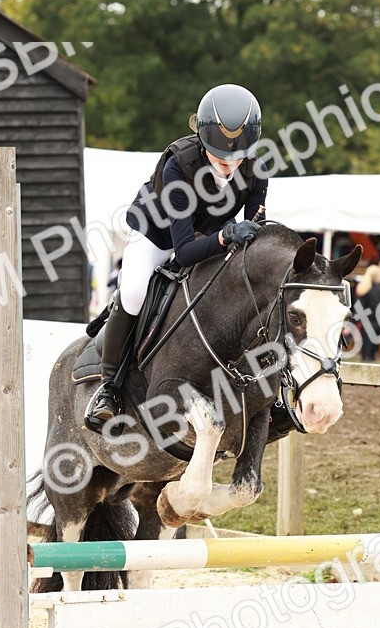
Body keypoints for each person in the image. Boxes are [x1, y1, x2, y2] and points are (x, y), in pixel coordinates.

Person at [84, 83, 267, 431]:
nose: (229, 165)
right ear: (202, 141)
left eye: (237, 157)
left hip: (209, 234)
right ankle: (108, 388)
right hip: (158, 234)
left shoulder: (256, 168)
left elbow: (254, 228)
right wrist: (227, 235)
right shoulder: (178, 165)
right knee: (136, 291)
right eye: (219, 156)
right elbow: (182, 252)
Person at [353, 264, 380, 362]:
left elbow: (358, 310)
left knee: (366, 355)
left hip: (367, 324)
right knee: (373, 354)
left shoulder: (365, 290)